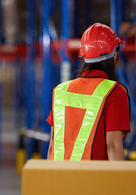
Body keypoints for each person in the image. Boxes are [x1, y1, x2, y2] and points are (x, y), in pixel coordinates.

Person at [47, 23, 130, 161]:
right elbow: (113, 146)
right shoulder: (114, 92)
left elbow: (52, 148)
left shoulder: (60, 91)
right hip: (93, 180)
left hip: (58, 177)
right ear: (115, 54)